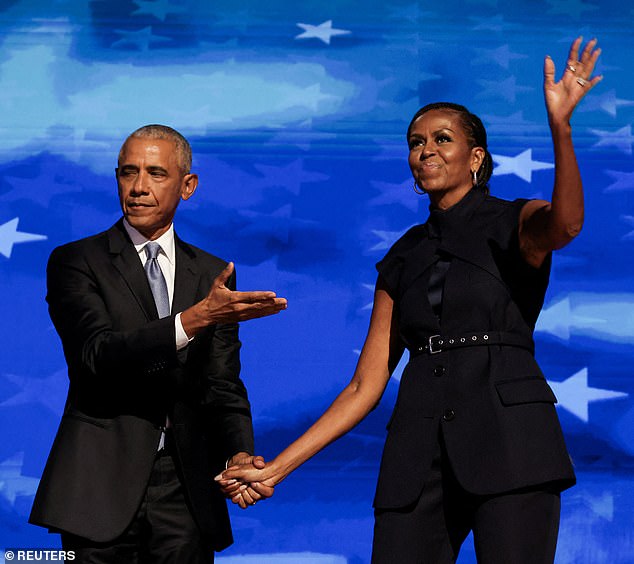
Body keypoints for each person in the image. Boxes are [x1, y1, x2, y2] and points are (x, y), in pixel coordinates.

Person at [217, 37, 602, 563]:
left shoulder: (513, 219)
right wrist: (277, 468)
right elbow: (364, 386)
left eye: (442, 139)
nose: (426, 150)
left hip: (512, 444)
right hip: (416, 456)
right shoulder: (403, 255)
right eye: (416, 142)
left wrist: (561, 127)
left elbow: (568, 223)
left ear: (476, 157)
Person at [29, 124, 287, 563]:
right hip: (99, 489)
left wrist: (239, 453)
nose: (139, 187)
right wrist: (196, 318)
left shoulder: (211, 273)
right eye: (128, 173)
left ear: (188, 186)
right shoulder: (76, 260)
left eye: (155, 173)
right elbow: (96, 355)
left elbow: (221, 383)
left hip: (185, 490)